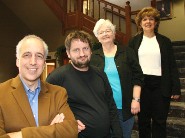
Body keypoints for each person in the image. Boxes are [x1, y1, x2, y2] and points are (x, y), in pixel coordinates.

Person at [46, 30, 123, 138]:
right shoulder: (58, 77)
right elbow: (44, 106)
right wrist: (67, 121)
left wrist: (118, 134)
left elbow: (111, 106)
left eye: (85, 48)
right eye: (76, 50)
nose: (82, 54)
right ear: (68, 53)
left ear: (91, 50)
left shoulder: (100, 74)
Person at [0, 35, 78, 138]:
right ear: (17, 61)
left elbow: (71, 130)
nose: (33, 62)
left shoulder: (58, 93)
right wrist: (51, 130)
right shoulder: (1, 93)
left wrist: (21, 135)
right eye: (27, 55)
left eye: (39, 56)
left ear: (44, 64)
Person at [128, 7, 181, 138]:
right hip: (142, 85)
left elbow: (172, 65)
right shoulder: (134, 42)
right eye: (144, 19)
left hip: (161, 85)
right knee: (143, 121)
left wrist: (176, 88)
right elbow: (130, 66)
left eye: (151, 19)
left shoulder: (165, 41)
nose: (148, 21)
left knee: (160, 121)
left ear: (156, 22)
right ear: (140, 23)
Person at [91, 19, 144, 138]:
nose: (105, 34)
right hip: (103, 109)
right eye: (101, 32)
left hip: (123, 108)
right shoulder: (93, 57)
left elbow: (138, 77)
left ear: (114, 34)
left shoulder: (127, 52)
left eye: (108, 31)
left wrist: (136, 99)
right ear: (97, 37)